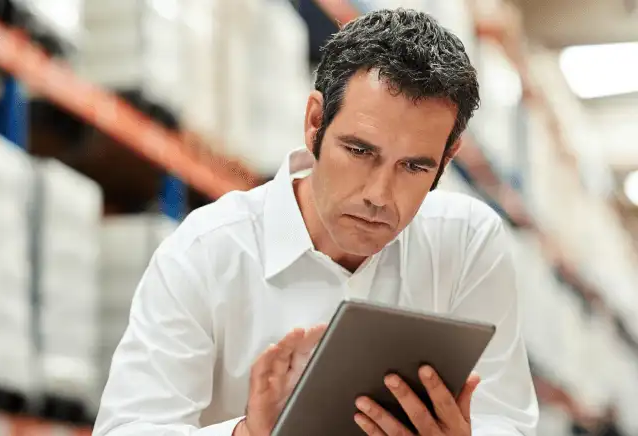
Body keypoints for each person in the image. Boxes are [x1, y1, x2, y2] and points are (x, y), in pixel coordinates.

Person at [93, 8, 539, 436]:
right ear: (314, 123)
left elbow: (505, 418)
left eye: (414, 168)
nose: (378, 196)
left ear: (448, 158)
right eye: (361, 151)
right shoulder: (206, 252)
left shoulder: (466, 245)